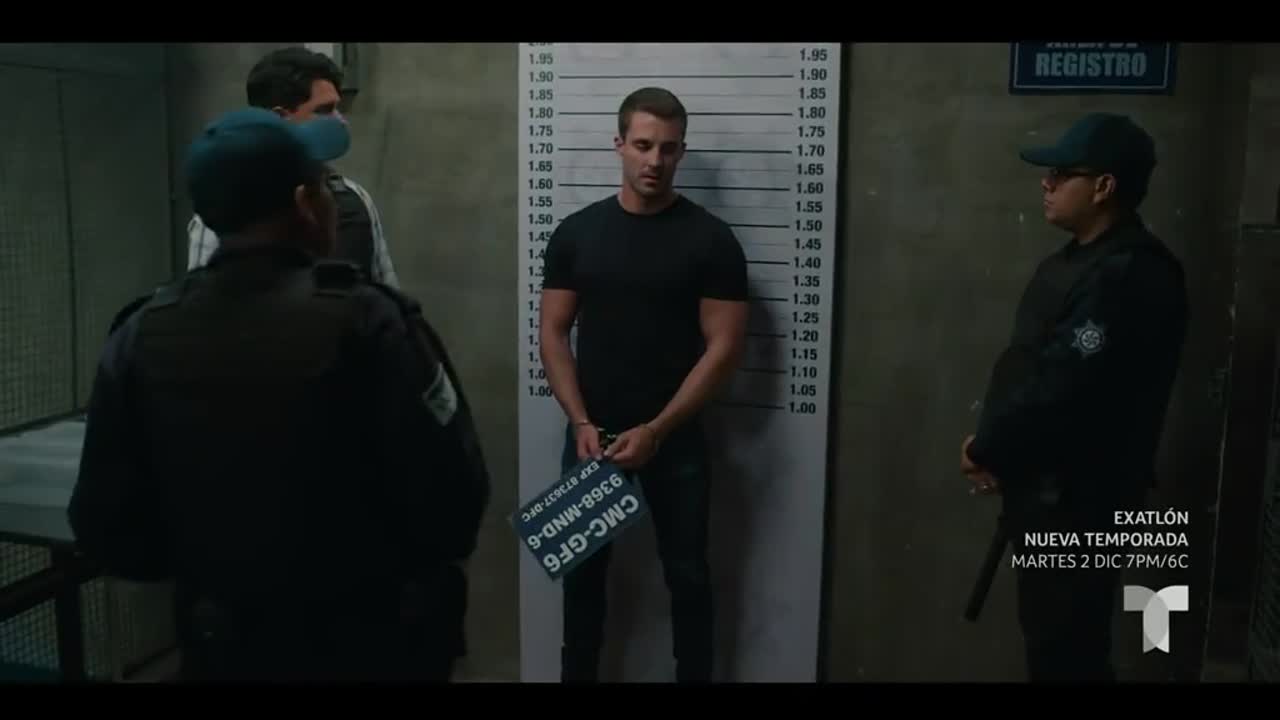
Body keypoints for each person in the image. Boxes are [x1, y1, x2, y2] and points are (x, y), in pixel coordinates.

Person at [66, 107, 489, 683]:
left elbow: (107, 526)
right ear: (303, 202)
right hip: (373, 647)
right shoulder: (370, 321)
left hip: (224, 648)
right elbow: (454, 499)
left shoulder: (142, 333)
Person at [961, 112, 1189, 683]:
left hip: (1079, 505)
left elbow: (1063, 389)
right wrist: (997, 449)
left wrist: (989, 447)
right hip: (1045, 497)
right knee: (1054, 648)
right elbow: (1031, 369)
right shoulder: (1077, 263)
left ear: (1104, 186)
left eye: (1063, 174)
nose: (1047, 183)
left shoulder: (1127, 274)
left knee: (1068, 655)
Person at [538, 87, 749, 683]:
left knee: (689, 577)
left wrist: (658, 429)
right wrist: (580, 420)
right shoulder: (577, 233)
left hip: (673, 440)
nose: (655, 160)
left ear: (681, 152)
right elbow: (552, 332)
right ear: (620, 144)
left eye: (669, 148)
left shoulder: (712, 241)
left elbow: (725, 347)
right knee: (581, 578)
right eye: (643, 145)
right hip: (593, 439)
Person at [187, 45, 399, 287]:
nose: (339, 120)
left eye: (338, 109)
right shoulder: (223, 213)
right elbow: (205, 299)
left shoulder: (356, 198)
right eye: (325, 110)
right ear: (280, 118)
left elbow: (385, 286)